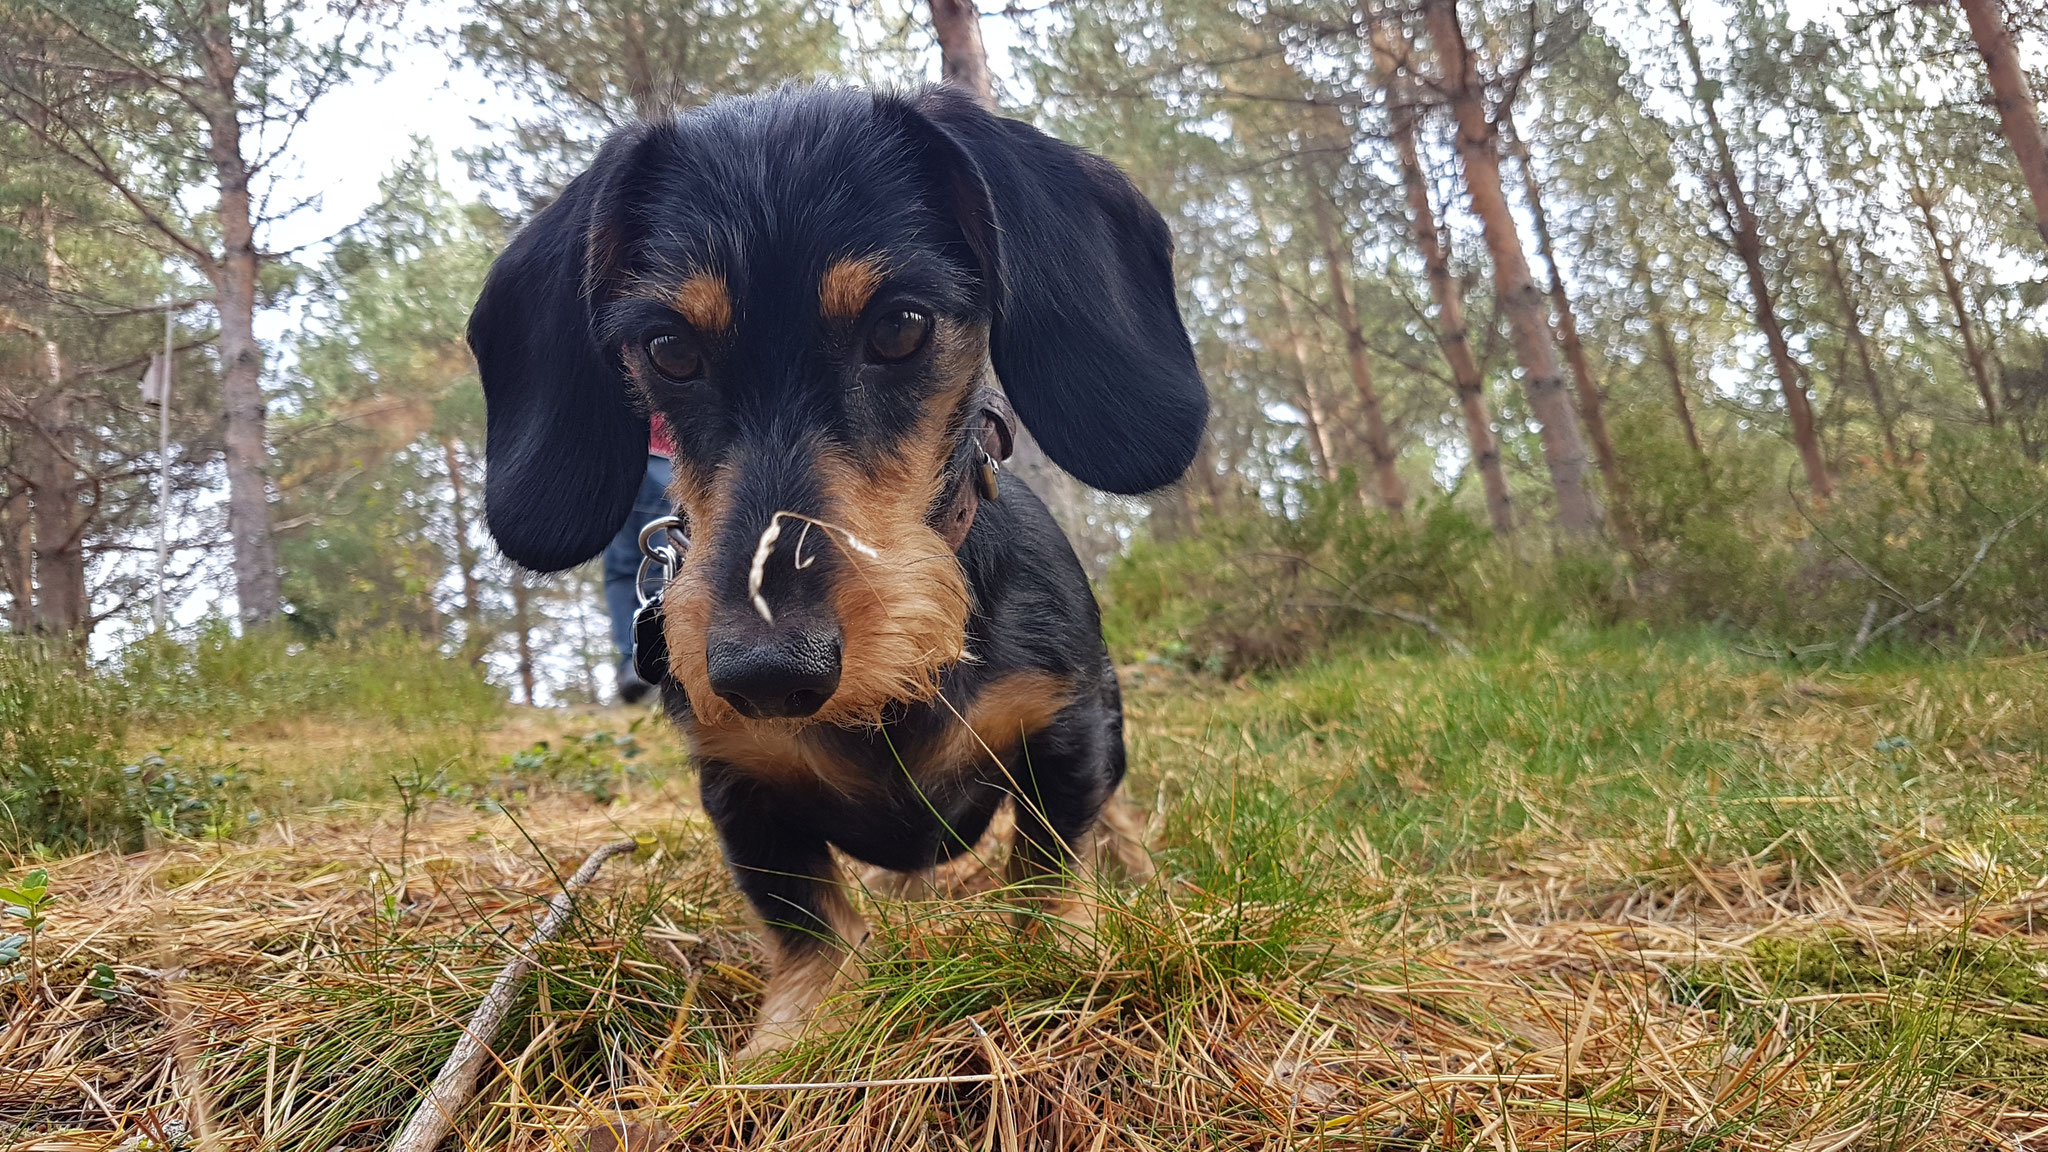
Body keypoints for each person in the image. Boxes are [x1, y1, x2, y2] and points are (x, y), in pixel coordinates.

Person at [603, 417, 674, 703]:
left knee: (627, 568)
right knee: (662, 561)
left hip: (615, 457)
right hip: (663, 457)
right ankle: (661, 660)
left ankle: (635, 663)